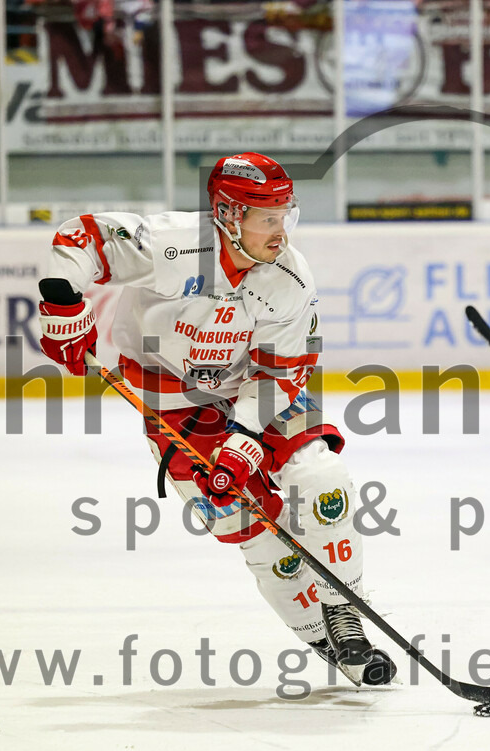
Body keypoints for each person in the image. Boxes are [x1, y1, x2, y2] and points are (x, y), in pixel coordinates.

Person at [37, 152, 395, 686]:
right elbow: (81, 236)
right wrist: (63, 303)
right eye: (266, 217)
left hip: (254, 390)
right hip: (175, 402)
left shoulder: (291, 280)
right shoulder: (173, 245)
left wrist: (245, 440)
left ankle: (345, 615)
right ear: (228, 215)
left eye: (285, 215)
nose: (281, 231)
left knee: (320, 476)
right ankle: (317, 634)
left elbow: (282, 371)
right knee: (248, 526)